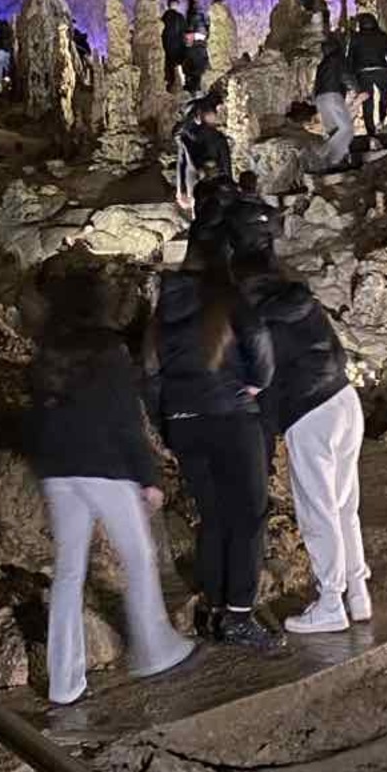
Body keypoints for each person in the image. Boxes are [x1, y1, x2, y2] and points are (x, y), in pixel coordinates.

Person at [27, 267, 195, 708]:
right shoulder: (107, 349)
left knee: (68, 573)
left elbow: (37, 417)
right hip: (105, 468)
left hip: (60, 472)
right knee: (139, 558)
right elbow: (125, 418)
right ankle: (154, 650)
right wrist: (148, 476)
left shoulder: (47, 350)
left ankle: (64, 681)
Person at [144, 242, 279, 650]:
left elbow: (149, 374)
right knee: (249, 516)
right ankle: (239, 616)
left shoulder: (163, 313)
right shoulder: (225, 300)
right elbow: (258, 338)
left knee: (214, 517)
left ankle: (216, 608)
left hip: (185, 424)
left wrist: (168, 423)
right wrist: (256, 384)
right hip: (230, 419)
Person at [235, 241, 371, 634]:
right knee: (344, 506)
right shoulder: (303, 301)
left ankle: (330, 604)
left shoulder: (257, 319)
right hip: (344, 399)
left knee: (318, 512)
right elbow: (339, 354)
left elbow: (260, 381)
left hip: (309, 413)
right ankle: (358, 593)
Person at [175, 90, 233, 209]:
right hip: (212, 183)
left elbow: (181, 163)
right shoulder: (218, 138)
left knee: (199, 212)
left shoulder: (187, 137)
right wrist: (230, 187)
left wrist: (180, 189)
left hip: (195, 182)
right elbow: (226, 164)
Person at [312, 30, 361, 172]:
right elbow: (346, 76)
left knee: (334, 131)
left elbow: (316, 85)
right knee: (346, 129)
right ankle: (322, 152)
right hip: (332, 95)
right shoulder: (338, 59)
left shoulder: (323, 63)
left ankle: (335, 162)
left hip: (320, 98)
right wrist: (357, 90)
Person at [346, 12, 387, 138]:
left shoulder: (356, 38)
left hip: (363, 72)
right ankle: (382, 120)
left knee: (367, 102)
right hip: (382, 71)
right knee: (384, 97)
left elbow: (350, 59)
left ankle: (371, 131)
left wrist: (351, 78)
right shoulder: (383, 36)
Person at [182, 0, 210, 93]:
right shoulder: (198, 13)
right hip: (198, 44)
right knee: (197, 67)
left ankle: (194, 88)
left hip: (195, 45)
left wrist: (189, 40)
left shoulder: (192, 14)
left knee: (193, 67)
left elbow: (191, 30)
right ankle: (195, 87)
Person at [161, 0, 187, 89]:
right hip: (177, 45)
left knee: (168, 66)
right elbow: (184, 31)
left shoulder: (164, 17)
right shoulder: (179, 17)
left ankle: (170, 85)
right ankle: (180, 85)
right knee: (178, 65)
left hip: (166, 45)